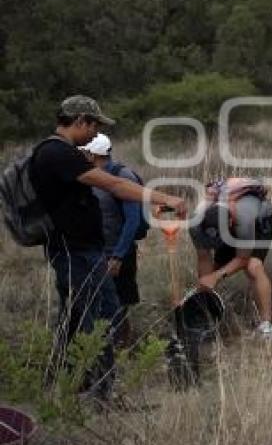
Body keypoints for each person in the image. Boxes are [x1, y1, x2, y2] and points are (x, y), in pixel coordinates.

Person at [29, 96, 186, 395]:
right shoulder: (57, 153)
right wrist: (164, 198)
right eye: (94, 125)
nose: (95, 133)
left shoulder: (60, 153)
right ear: (79, 121)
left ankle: (85, 386)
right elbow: (114, 185)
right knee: (94, 317)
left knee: (90, 315)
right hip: (75, 251)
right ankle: (94, 391)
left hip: (80, 250)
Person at [189, 178, 272, 337]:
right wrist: (206, 284)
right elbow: (203, 257)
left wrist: (216, 276)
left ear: (230, 223)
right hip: (228, 221)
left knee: (253, 266)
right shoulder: (196, 225)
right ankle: (202, 316)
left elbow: (242, 259)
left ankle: (267, 325)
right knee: (214, 270)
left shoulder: (244, 220)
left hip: (261, 220)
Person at [81, 133, 145, 347]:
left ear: (93, 154)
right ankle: (109, 347)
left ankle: (121, 348)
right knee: (101, 302)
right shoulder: (91, 177)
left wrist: (118, 256)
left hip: (117, 251)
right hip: (97, 250)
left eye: (84, 152)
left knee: (119, 303)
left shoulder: (123, 177)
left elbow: (133, 220)